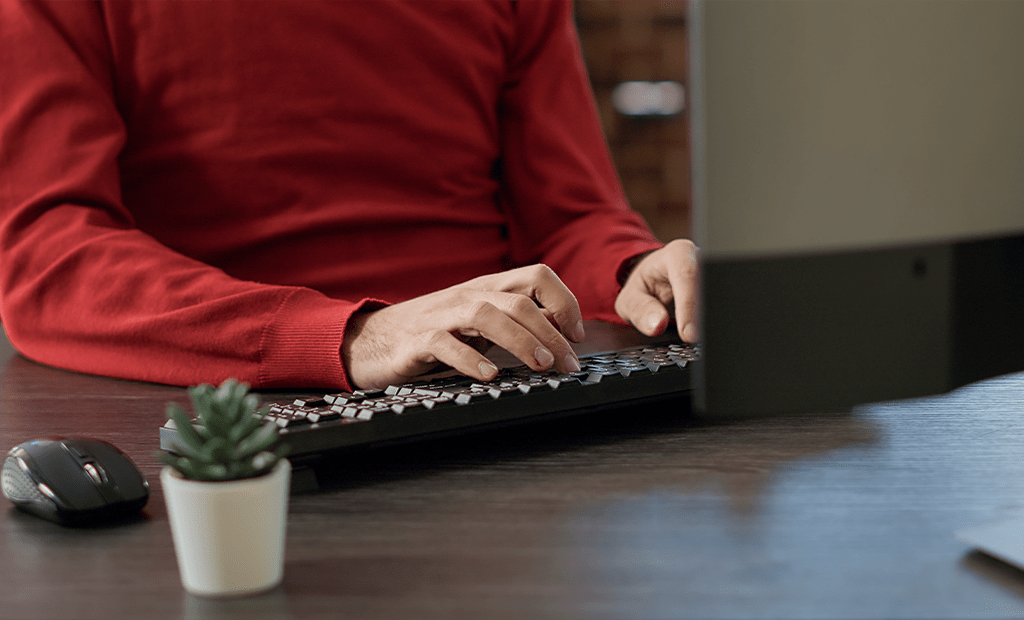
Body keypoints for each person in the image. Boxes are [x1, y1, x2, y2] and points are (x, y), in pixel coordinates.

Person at [0, 0, 698, 391]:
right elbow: (49, 259)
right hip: (224, 411)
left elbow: (571, 217)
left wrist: (632, 272)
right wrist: (354, 333)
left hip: (499, 386)